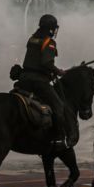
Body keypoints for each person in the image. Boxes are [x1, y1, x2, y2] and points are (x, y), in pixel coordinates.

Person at [19, 14, 67, 149]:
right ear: (51, 29)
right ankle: (58, 138)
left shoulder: (32, 39)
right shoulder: (49, 42)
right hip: (38, 81)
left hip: (23, 79)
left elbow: (33, 61)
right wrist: (58, 72)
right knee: (58, 106)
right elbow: (46, 62)